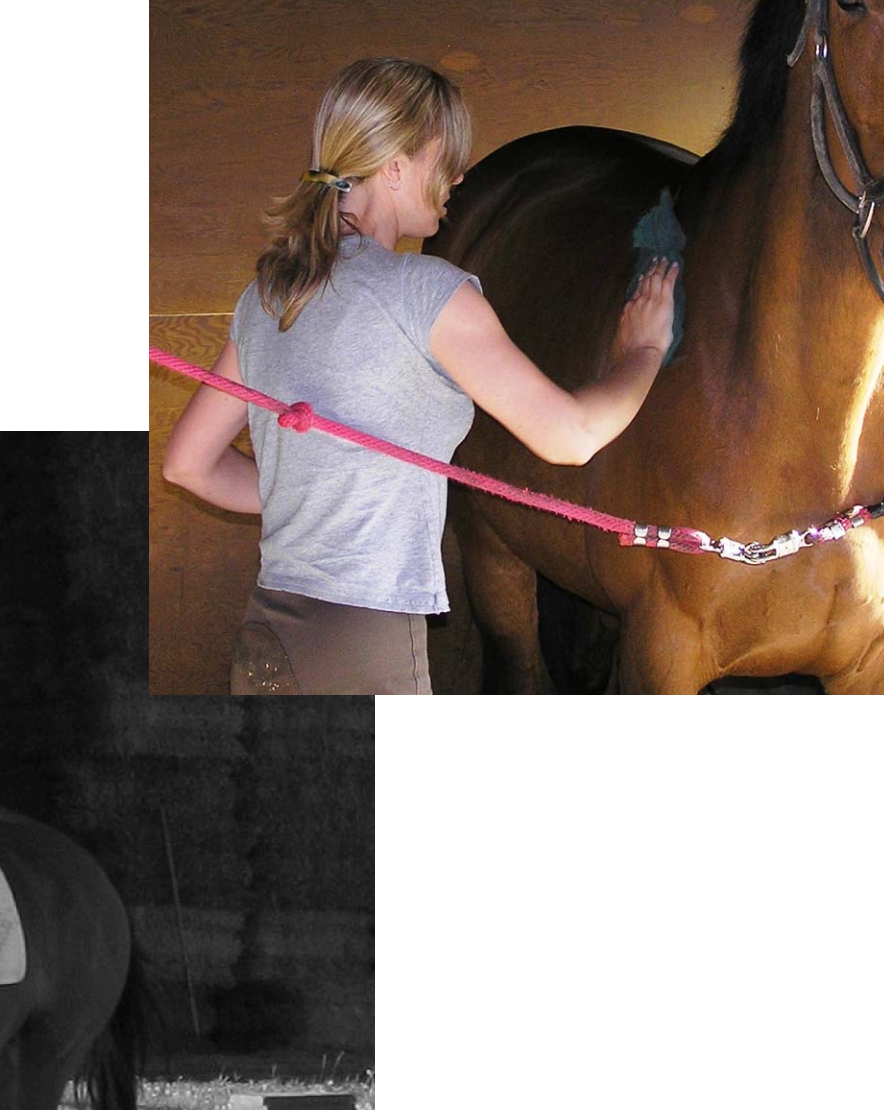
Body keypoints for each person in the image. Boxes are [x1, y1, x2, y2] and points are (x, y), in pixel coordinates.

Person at [161, 56, 677, 695]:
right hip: (363, 643)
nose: (459, 175)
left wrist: (317, 496)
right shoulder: (427, 293)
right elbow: (569, 437)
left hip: (269, 633)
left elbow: (188, 464)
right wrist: (644, 350)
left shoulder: (270, 294)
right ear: (396, 166)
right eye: (446, 159)